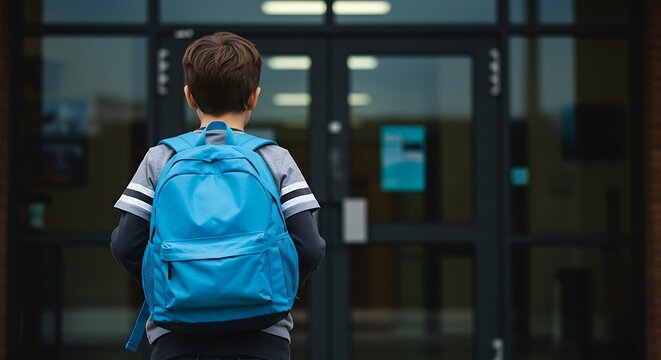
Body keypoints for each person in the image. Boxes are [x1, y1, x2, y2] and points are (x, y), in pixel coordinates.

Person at [110, 32, 326, 360]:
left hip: (176, 336)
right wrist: (271, 284)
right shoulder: (274, 158)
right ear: (254, 97)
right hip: (262, 336)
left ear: (189, 96)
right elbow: (310, 246)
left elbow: (126, 244)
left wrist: (176, 285)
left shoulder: (161, 158)